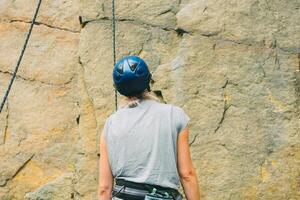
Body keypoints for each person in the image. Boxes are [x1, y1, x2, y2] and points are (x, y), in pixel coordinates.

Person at [98, 56, 200, 200]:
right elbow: (187, 175)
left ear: (118, 89)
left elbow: (104, 188)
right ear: (148, 81)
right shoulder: (174, 115)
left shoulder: (110, 124)